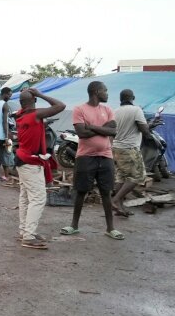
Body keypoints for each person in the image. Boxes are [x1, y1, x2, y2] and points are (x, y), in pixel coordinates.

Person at [61, 81, 122, 239]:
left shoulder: (108, 109)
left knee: (106, 192)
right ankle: (74, 225)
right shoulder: (79, 109)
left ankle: (110, 228)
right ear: (96, 91)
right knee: (81, 191)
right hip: (85, 156)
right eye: (105, 90)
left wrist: (92, 127)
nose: (107, 93)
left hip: (106, 156)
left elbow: (113, 130)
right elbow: (81, 133)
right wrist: (103, 129)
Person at [15, 88, 66, 249]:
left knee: (25, 197)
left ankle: (25, 231)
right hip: (30, 162)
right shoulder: (35, 115)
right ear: (34, 101)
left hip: (22, 159)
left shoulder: (21, 115)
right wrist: (40, 94)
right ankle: (28, 236)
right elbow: (60, 105)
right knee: (38, 198)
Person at [110, 89, 151, 217]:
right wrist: (149, 128)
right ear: (133, 97)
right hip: (130, 148)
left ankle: (120, 208)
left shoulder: (115, 112)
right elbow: (143, 129)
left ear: (120, 99)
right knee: (138, 177)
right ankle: (116, 200)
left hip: (116, 148)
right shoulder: (136, 110)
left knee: (122, 177)